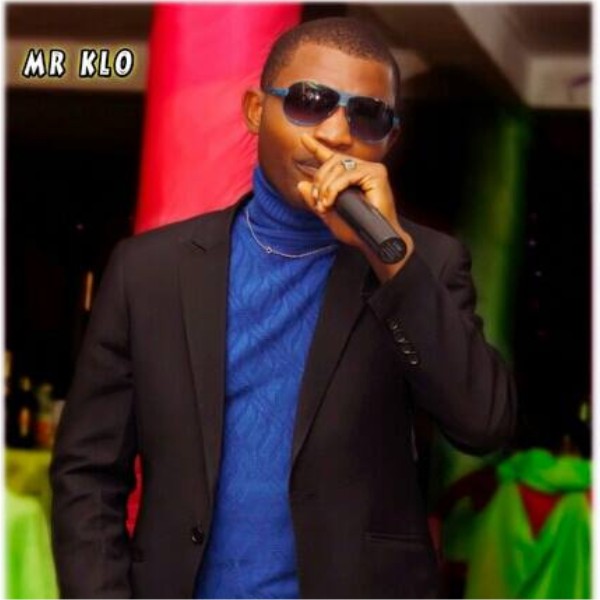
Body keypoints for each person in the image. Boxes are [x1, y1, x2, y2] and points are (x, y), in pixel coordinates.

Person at [50, 17, 516, 599]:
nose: (337, 133)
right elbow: (87, 475)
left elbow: (483, 423)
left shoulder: (423, 264)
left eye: (367, 115)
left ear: (388, 142)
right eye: (309, 102)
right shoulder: (149, 272)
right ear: (255, 111)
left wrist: (391, 260)